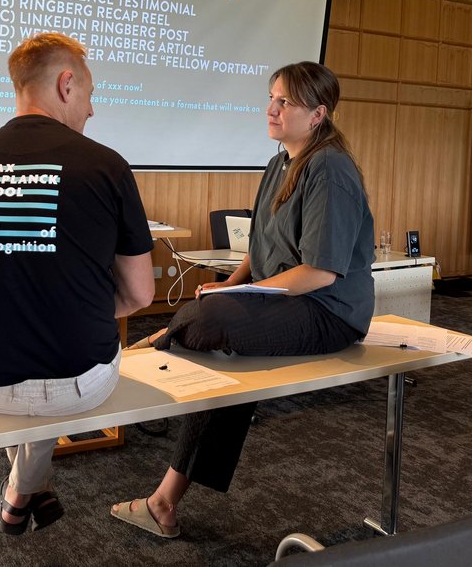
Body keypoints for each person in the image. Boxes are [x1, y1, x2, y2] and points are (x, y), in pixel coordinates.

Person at [110, 61, 374, 538]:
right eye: (271, 97)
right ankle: (163, 504)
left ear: (318, 114)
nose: (271, 109)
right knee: (217, 334)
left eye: (285, 102)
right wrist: (231, 285)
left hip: (330, 312)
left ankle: (150, 348)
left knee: (208, 321)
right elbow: (259, 248)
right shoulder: (279, 163)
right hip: (284, 303)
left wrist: (241, 298)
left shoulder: (330, 169)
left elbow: (320, 271)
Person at [0, 32, 154, 536]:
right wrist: (77, 311)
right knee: (50, 387)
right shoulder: (108, 166)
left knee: (25, 370)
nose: (92, 111)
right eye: (91, 94)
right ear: (66, 84)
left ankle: (34, 488)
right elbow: (141, 295)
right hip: (78, 385)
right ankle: (21, 491)